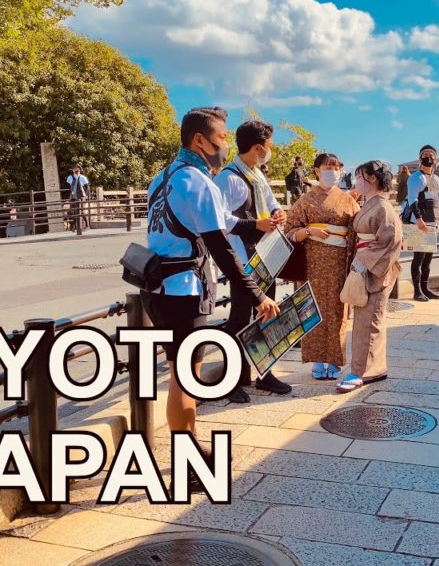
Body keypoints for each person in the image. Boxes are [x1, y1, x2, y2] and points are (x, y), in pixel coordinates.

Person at [142, 107, 279, 492]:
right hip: (182, 291)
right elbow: (221, 246)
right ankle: (189, 463)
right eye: (220, 137)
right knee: (186, 379)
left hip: (158, 288)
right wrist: (257, 295)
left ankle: (192, 451)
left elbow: (226, 222)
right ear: (199, 140)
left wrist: (257, 224)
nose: (224, 144)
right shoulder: (195, 180)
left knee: (180, 377)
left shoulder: (164, 177)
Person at [213, 119, 292, 403]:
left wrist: (278, 212)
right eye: (269, 146)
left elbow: (270, 202)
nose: (270, 150)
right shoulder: (228, 177)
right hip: (243, 259)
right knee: (239, 319)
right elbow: (221, 220)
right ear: (258, 147)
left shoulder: (257, 173)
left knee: (266, 314)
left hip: (265, 255)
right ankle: (231, 379)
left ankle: (265, 372)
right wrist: (255, 225)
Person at [284, 152, 360, 381]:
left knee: (338, 311)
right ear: (316, 171)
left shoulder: (348, 199)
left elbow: (358, 228)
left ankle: (335, 360)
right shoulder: (306, 200)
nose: (333, 172)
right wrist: (309, 231)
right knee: (313, 309)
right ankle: (317, 360)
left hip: (339, 262)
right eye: (328, 167)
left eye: (336, 168)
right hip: (313, 262)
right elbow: (289, 230)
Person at [336, 160, 403, 393]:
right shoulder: (371, 204)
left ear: (372, 179)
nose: (356, 182)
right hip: (366, 264)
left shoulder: (383, 208)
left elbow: (391, 241)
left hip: (374, 268)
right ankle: (373, 367)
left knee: (369, 322)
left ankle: (362, 371)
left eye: (359, 177)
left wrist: (363, 262)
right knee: (367, 320)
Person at [405, 144, 439, 302]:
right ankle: (416, 291)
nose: (429, 157)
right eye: (425, 155)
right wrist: (418, 219)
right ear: (420, 158)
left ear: (436, 159)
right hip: (418, 221)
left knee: (428, 258)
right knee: (418, 257)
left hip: (432, 220)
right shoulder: (416, 177)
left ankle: (425, 287)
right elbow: (412, 199)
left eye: (432, 155)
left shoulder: (436, 179)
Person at [66, 164, 90, 232]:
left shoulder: (83, 178)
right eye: (75, 170)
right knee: (72, 211)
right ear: (73, 170)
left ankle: (87, 225)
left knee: (81, 211)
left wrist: (85, 195)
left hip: (81, 196)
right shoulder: (70, 177)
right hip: (73, 196)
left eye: (78, 170)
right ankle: (74, 226)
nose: (76, 171)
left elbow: (87, 187)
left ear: (79, 170)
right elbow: (69, 187)